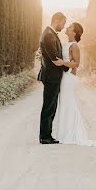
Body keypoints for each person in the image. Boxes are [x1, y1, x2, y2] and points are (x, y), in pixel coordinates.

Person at [37, 12, 68, 144]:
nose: (63, 26)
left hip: (53, 76)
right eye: (63, 23)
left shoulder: (50, 33)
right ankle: (45, 136)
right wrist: (68, 67)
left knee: (51, 105)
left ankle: (47, 135)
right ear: (56, 20)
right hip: (51, 76)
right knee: (49, 106)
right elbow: (55, 59)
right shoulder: (49, 35)